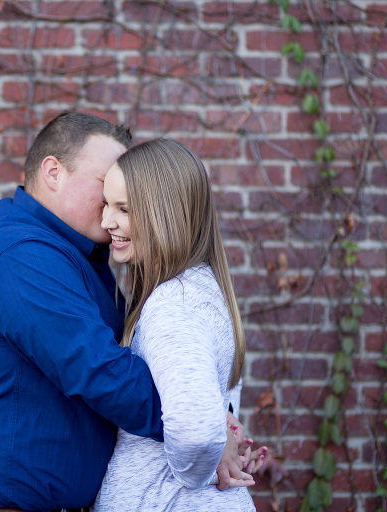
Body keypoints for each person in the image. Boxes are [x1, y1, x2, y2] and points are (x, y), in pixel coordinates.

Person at [0, 113, 255, 512]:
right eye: (105, 184)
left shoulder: (80, 260)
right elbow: (96, 368)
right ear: (53, 172)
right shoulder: (21, 255)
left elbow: (162, 366)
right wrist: (205, 429)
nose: (113, 200)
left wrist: (215, 418)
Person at [94, 138, 263, 511]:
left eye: (124, 208)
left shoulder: (175, 303)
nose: (107, 221)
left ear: (166, 213)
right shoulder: (199, 290)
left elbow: (197, 433)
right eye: (107, 204)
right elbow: (220, 401)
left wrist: (198, 472)